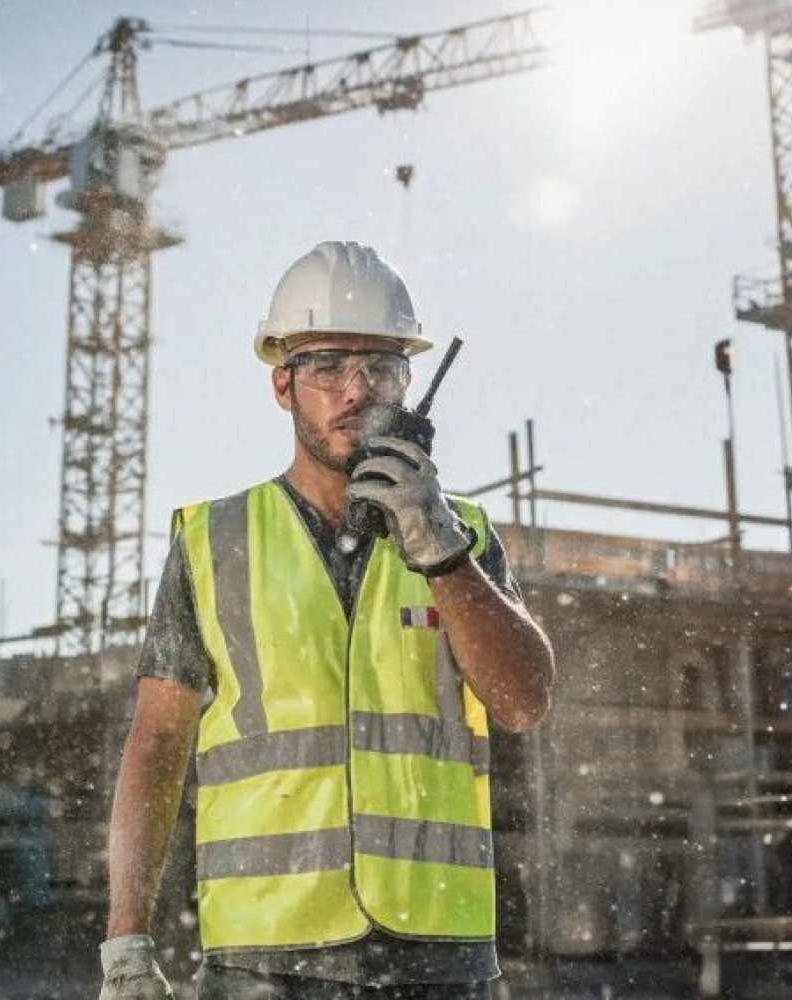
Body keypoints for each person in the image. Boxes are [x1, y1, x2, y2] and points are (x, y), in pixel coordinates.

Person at [99, 241, 555, 1000]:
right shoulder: (215, 541)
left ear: (410, 386)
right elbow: (157, 743)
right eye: (327, 367)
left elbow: (523, 702)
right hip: (261, 957)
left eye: (380, 368)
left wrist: (441, 553)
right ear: (283, 385)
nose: (356, 391)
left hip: (437, 956)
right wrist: (126, 944)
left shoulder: (462, 534)